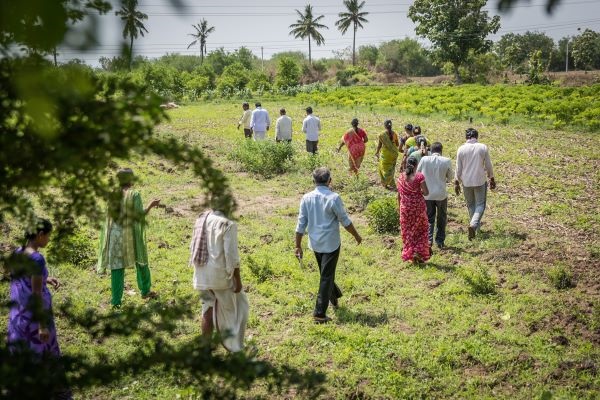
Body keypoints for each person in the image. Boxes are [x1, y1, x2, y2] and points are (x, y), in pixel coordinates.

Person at [7, 218, 72, 399]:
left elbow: (22, 279)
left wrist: (46, 279)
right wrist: (42, 325)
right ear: (40, 235)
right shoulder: (37, 259)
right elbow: (35, 294)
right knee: (43, 350)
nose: (48, 240)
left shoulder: (17, 252)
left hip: (18, 316)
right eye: (48, 236)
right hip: (35, 316)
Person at [295, 167, 362, 324]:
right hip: (331, 244)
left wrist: (297, 245)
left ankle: (334, 296)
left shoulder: (306, 198)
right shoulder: (334, 198)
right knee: (326, 276)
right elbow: (344, 221)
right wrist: (357, 236)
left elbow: (300, 224)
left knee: (326, 273)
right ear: (330, 181)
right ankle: (319, 313)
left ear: (314, 181)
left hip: (316, 243)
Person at [97, 168, 161, 307]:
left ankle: (116, 302)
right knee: (141, 260)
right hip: (130, 235)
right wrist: (151, 205)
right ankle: (145, 290)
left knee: (117, 268)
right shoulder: (134, 195)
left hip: (114, 235)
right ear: (131, 180)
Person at [190, 209, 248, 352]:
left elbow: (193, 247)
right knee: (237, 310)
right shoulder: (228, 224)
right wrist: (237, 281)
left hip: (201, 275)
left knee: (207, 309)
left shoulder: (201, 218)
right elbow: (232, 256)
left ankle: (205, 350)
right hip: (220, 278)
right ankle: (235, 348)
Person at [454, 128, 496, 240]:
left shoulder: (461, 149)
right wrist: (491, 177)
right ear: (476, 137)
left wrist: (456, 181)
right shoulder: (482, 147)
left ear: (466, 137)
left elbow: (458, 168)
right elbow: (488, 165)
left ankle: (475, 229)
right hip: (480, 180)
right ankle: (473, 225)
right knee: (480, 204)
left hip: (466, 182)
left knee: (471, 205)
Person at [417, 142, 453, 250]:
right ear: (441, 150)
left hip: (427, 194)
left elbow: (418, 174)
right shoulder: (446, 160)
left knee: (429, 217)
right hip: (441, 194)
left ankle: (429, 240)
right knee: (441, 217)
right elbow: (450, 177)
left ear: (430, 150)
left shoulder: (424, 160)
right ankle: (440, 241)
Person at [397, 157, 430, 263]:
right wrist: (418, 190)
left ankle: (410, 253)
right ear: (416, 165)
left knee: (407, 231)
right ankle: (418, 252)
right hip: (418, 208)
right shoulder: (419, 176)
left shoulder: (401, 177)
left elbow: (399, 195)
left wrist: (399, 208)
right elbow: (426, 192)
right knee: (421, 230)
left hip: (405, 208)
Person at [375, 120, 400, 190]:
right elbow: (397, 144)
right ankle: (389, 182)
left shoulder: (382, 135)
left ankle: (387, 184)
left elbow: (379, 145)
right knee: (391, 169)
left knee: (383, 169)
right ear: (391, 126)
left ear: (385, 126)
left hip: (386, 155)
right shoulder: (394, 133)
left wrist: (377, 152)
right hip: (394, 154)